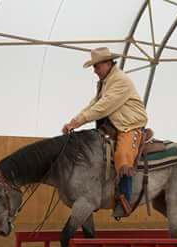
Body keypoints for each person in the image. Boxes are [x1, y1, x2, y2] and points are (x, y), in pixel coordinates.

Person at [62, 47, 148, 220]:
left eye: (96, 66)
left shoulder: (120, 81)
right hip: (114, 124)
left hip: (129, 125)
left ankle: (124, 200)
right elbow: (93, 104)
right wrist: (75, 120)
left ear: (108, 63)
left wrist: (77, 122)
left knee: (123, 155)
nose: (94, 71)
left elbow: (104, 106)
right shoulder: (105, 82)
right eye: (93, 67)